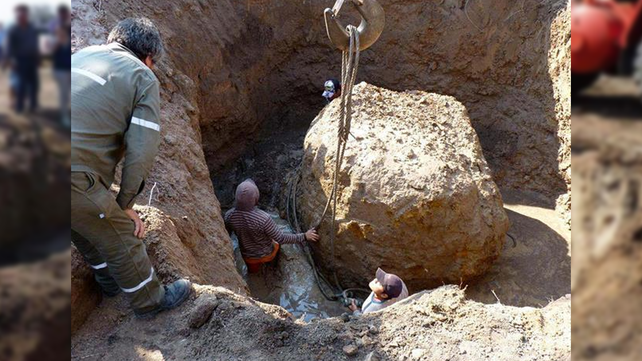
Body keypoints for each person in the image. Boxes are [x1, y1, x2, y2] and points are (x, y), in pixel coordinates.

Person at [71, 18, 191, 318]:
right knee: (122, 233)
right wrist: (125, 203)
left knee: (80, 220)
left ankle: (109, 282)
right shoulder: (142, 76)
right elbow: (142, 150)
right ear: (148, 57)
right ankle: (150, 302)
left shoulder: (80, 55)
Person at [225, 179, 320, 273]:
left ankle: (253, 273)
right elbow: (281, 238)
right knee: (276, 244)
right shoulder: (264, 218)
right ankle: (274, 266)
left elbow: (226, 236)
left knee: (252, 271)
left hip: (248, 258)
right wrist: (304, 236)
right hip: (267, 255)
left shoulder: (229, 216)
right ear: (255, 198)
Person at [5, 5, 40, 113]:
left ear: (27, 15)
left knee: (34, 83)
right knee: (21, 84)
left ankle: (33, 105)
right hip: (20, 60)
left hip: (32, 59)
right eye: (20, 14)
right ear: (17, 16)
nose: (22, 16)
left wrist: (38, 57)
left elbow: (35, 43)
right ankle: (20, 107)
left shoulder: (32, 28)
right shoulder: (14, 30)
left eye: (24, 14)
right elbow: (10, 47)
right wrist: (11, 61)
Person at [53, 25, 71, 126]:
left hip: (69, 71)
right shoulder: (57, 45)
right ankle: (64, 116)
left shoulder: (68, 44)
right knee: (64, 94)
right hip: (61, 72)